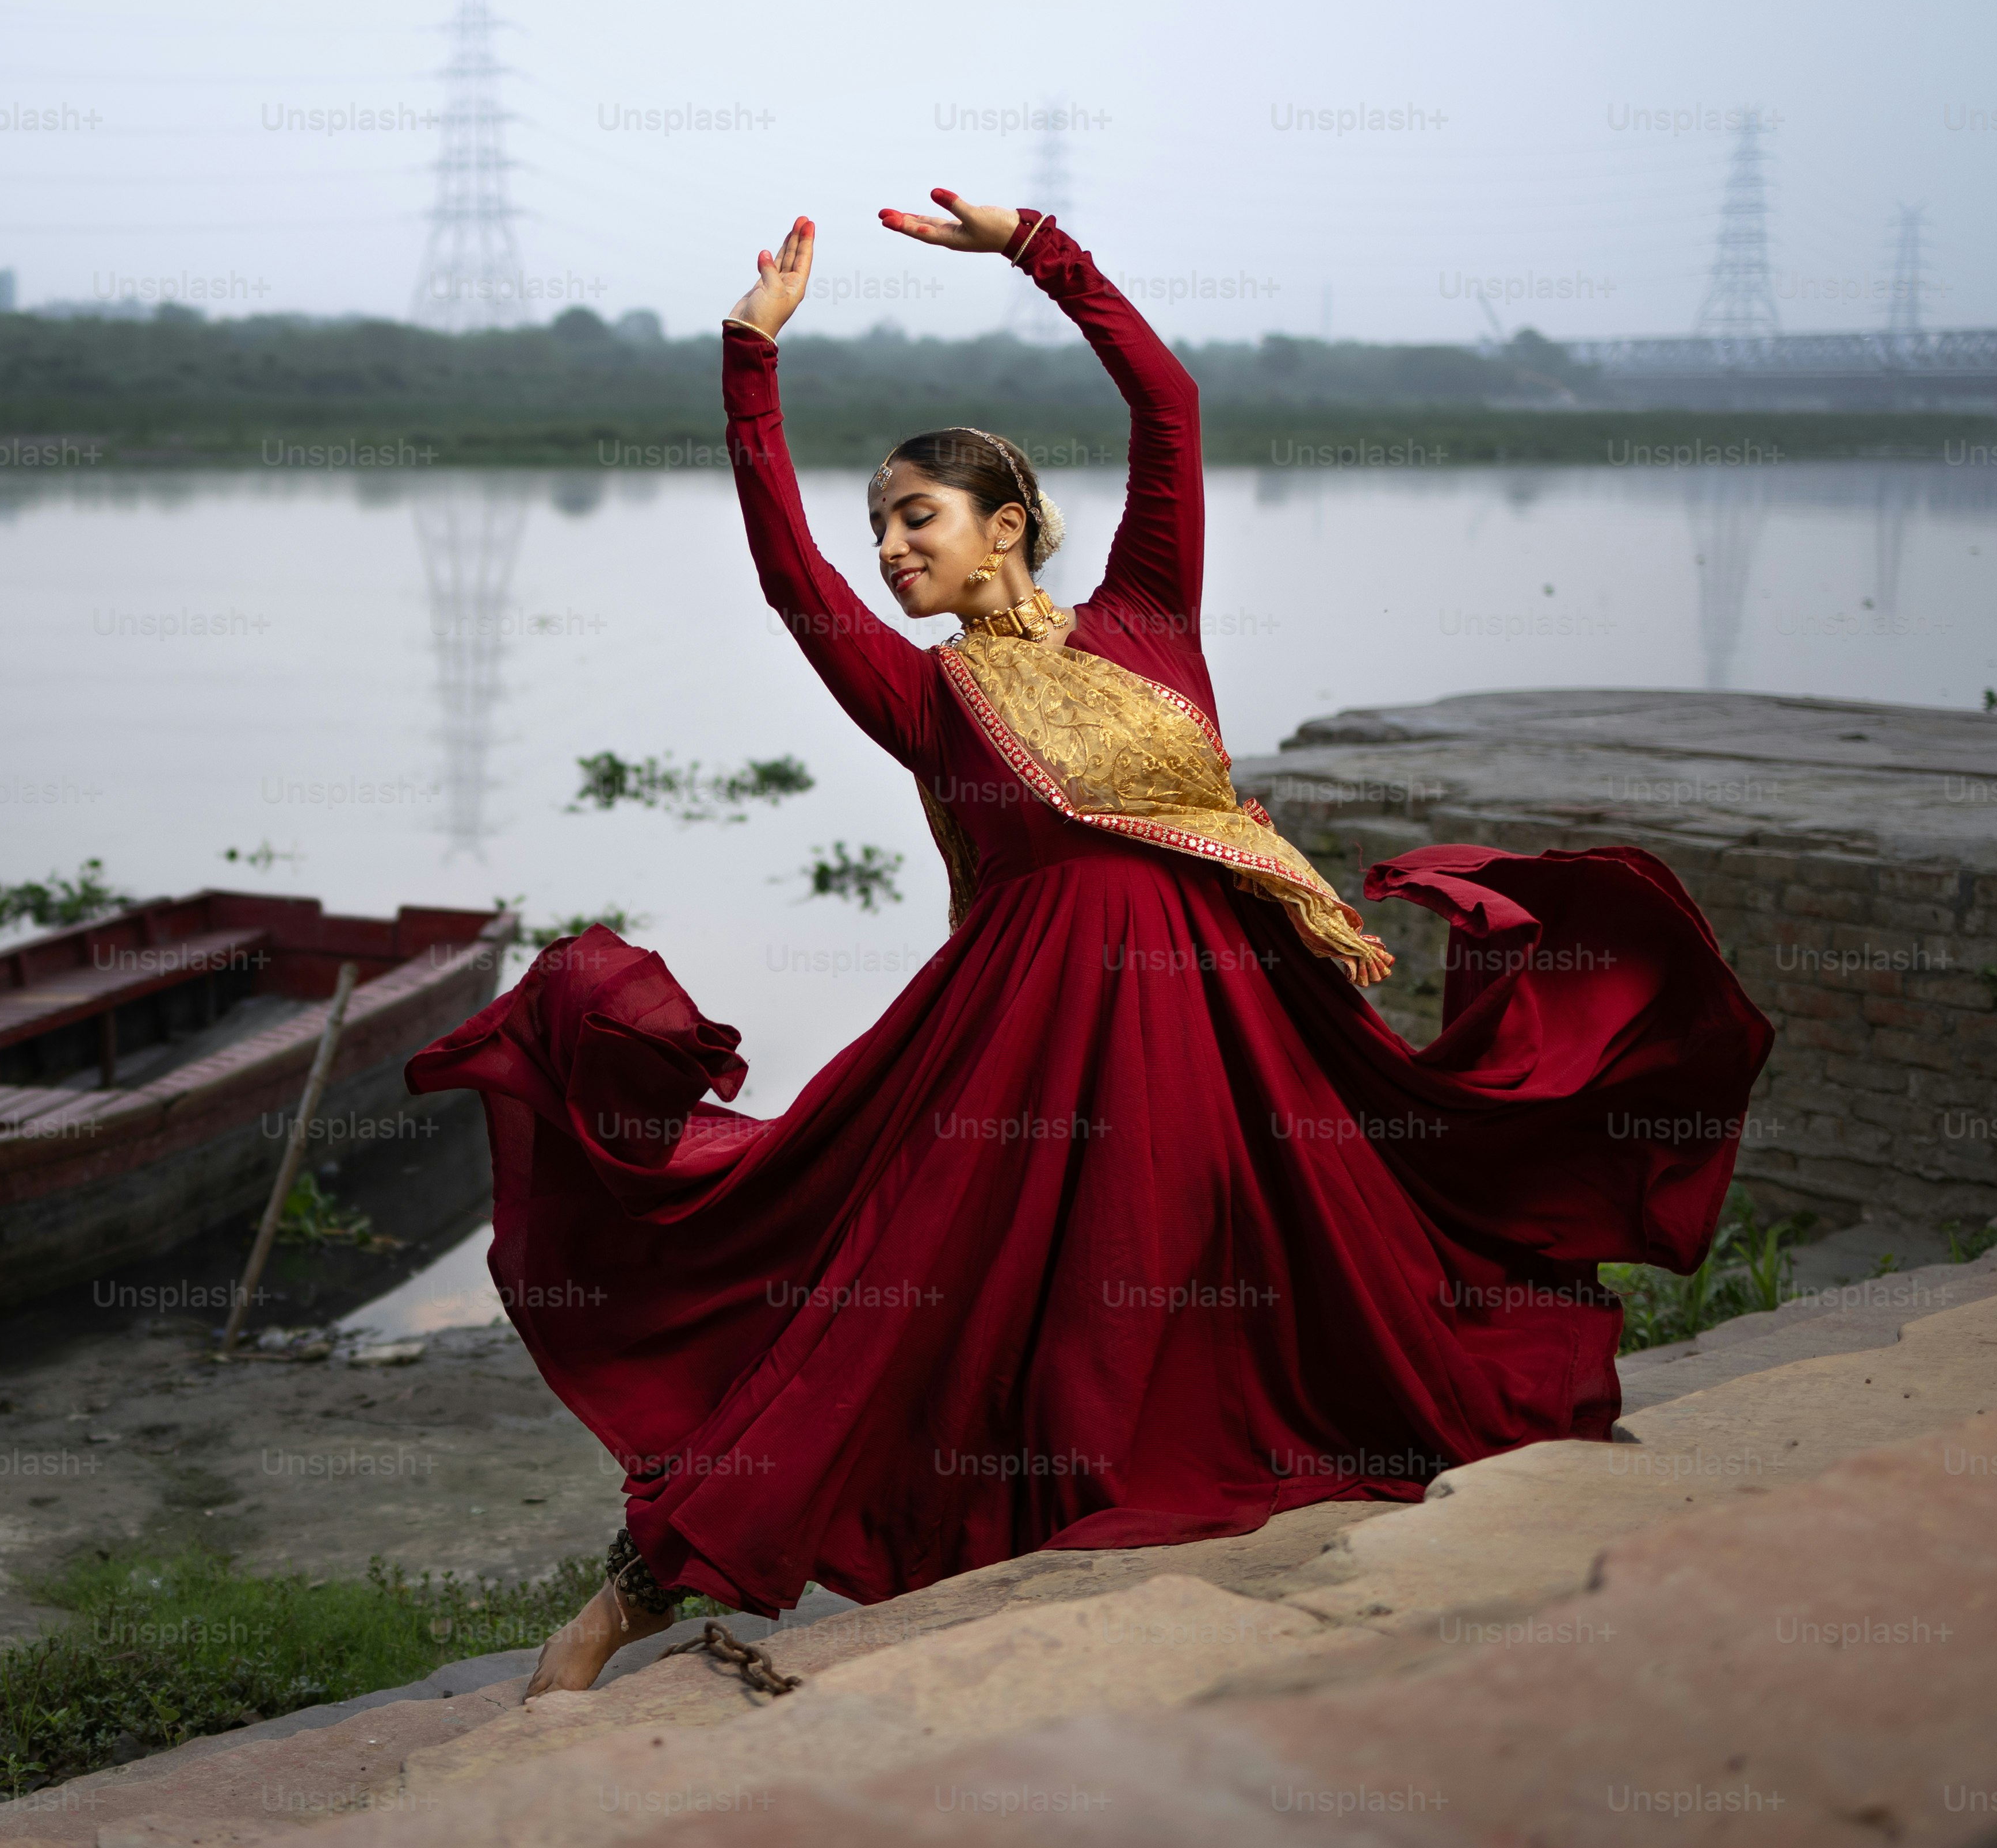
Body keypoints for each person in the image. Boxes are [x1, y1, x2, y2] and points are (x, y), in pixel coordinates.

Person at [407, 193, 1771, 1697]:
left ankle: (1075, 1570)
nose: (884, 549)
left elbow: (1166, 402)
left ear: (1005, 520)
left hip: (1215, 1027)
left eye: (913, 515)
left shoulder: (1144, 621)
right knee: (881, 1303)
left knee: (1262, 1283)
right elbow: (785, 573)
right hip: (1013, 1049)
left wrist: (1039, 250)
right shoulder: (925, 698)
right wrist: (749, 357)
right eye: (876, 527)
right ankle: (622, 1602)